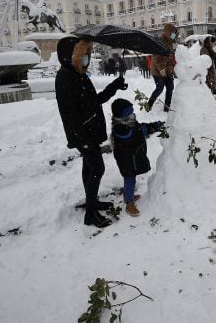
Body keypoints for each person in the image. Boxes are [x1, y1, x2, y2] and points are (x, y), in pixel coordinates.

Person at [55, 35, 127, 228]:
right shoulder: (66, 77)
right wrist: (82, 137)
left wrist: (114, 86)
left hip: (89, 132)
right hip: (83, 134)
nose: (86, 58)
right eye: (82, 54)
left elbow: (94, 101)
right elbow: (69, 114)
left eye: (87, 54)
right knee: (97, 169)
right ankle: (90, 215)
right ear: (69, 56)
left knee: (89, 168)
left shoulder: (78, 74)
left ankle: (91, 202)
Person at [110, 98, 164, 216]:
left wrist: (153, 125)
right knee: (129, 179)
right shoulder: (120, 128)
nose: (133, 114)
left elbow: (139, 128)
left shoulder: (127, 121)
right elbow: (133, 135)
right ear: (122, 114)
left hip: (130, 158)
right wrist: (148, 129)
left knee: (131, 178)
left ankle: (128, 196)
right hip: (126, 160)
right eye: (129, 112)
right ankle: (129, 203)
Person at [147, 23, 177, 112]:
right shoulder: (160, 40)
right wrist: (161, 69)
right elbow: (156, 56)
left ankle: (167, 107)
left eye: (174, 34)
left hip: (168, 69)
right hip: (157, 69)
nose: (173, 35)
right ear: (168, 32)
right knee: (159, 88)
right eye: (172, 33)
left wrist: (175, 37)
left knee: (170, 87)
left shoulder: (171, 41)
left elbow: (172, 53)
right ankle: (149, 105)